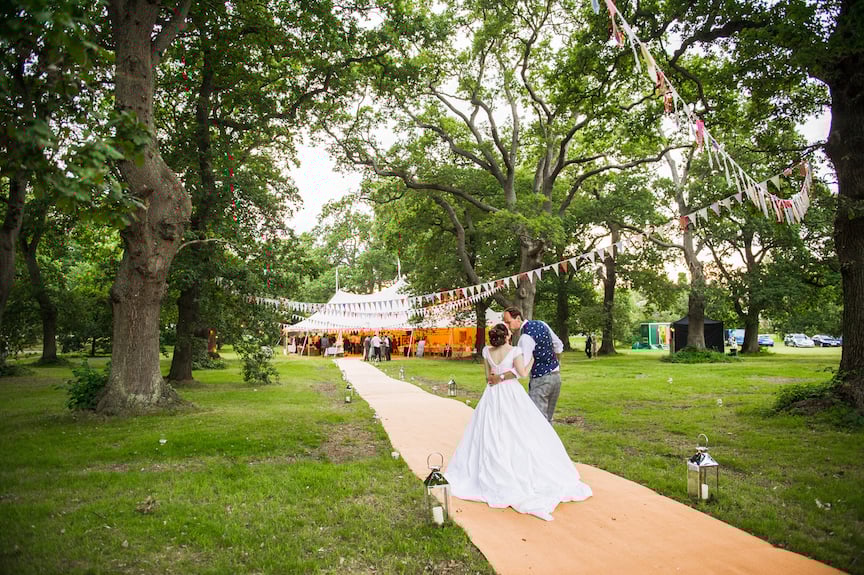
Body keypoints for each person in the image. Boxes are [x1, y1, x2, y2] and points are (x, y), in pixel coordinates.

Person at [444, 323, 592, 521]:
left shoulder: (486, 351)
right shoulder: (515, 351)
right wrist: (531, 362)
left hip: (492, 394)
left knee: (491, 429)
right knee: (520, 428)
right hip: (511, 392)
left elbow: (488, 378)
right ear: (507, 336)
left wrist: (498, 376)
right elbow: (522, 373)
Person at [500, 307, 565, 422]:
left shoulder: (525, 338)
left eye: (508, 322)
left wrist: (501, 377)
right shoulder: (542, 324)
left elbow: (522, 368)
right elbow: (558, 346)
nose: (507, 326)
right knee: (547, 420)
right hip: (556, 378)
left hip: (540, 381)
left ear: (518, 318)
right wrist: (555, 363)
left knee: (537, 420)